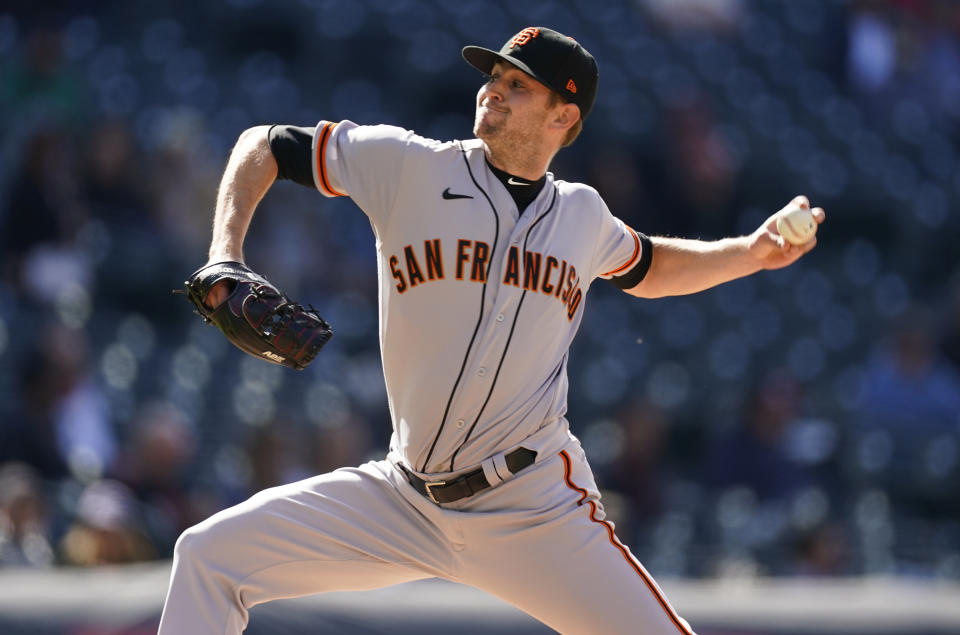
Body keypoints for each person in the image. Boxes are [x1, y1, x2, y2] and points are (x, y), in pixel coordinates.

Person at [159, 26, 824, 634]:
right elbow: (265, 144)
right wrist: (225, 253)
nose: (493, 91)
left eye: (516, 85)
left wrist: (753, 251)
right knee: (207, 557)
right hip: (404, 497)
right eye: (493, 77)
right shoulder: (411, 165)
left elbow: (650, 265)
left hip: (535, 506)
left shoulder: (583, 217)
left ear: (564, 115)